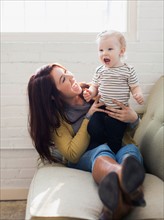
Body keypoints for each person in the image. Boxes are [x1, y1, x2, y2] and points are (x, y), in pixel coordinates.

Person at [27, 63, 146, 220]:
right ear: (53, 95)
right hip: (88, 155)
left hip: (118, 147)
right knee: (101, 152)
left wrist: (133, 119)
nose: (71, 76)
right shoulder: (57, 119)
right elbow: (72, 154)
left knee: (130, 151)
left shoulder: (96, 91)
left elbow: (122, 130)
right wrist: (88, 117)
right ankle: (125, 178)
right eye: (63, 79)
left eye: (66, 71)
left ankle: (119, 200)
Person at [83, 30, 144, 153]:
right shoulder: (100, 70)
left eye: (109, 49)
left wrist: (138, 94)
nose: (104, 53)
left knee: (115, 135)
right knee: (93, 127)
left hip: (118, 112)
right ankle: (96, 149)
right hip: (101, 108)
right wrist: (90, 92)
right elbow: (94, 86)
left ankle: (112, 153)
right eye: (101, 50)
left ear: (121, 51)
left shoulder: (128, 70)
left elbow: (135, 87)